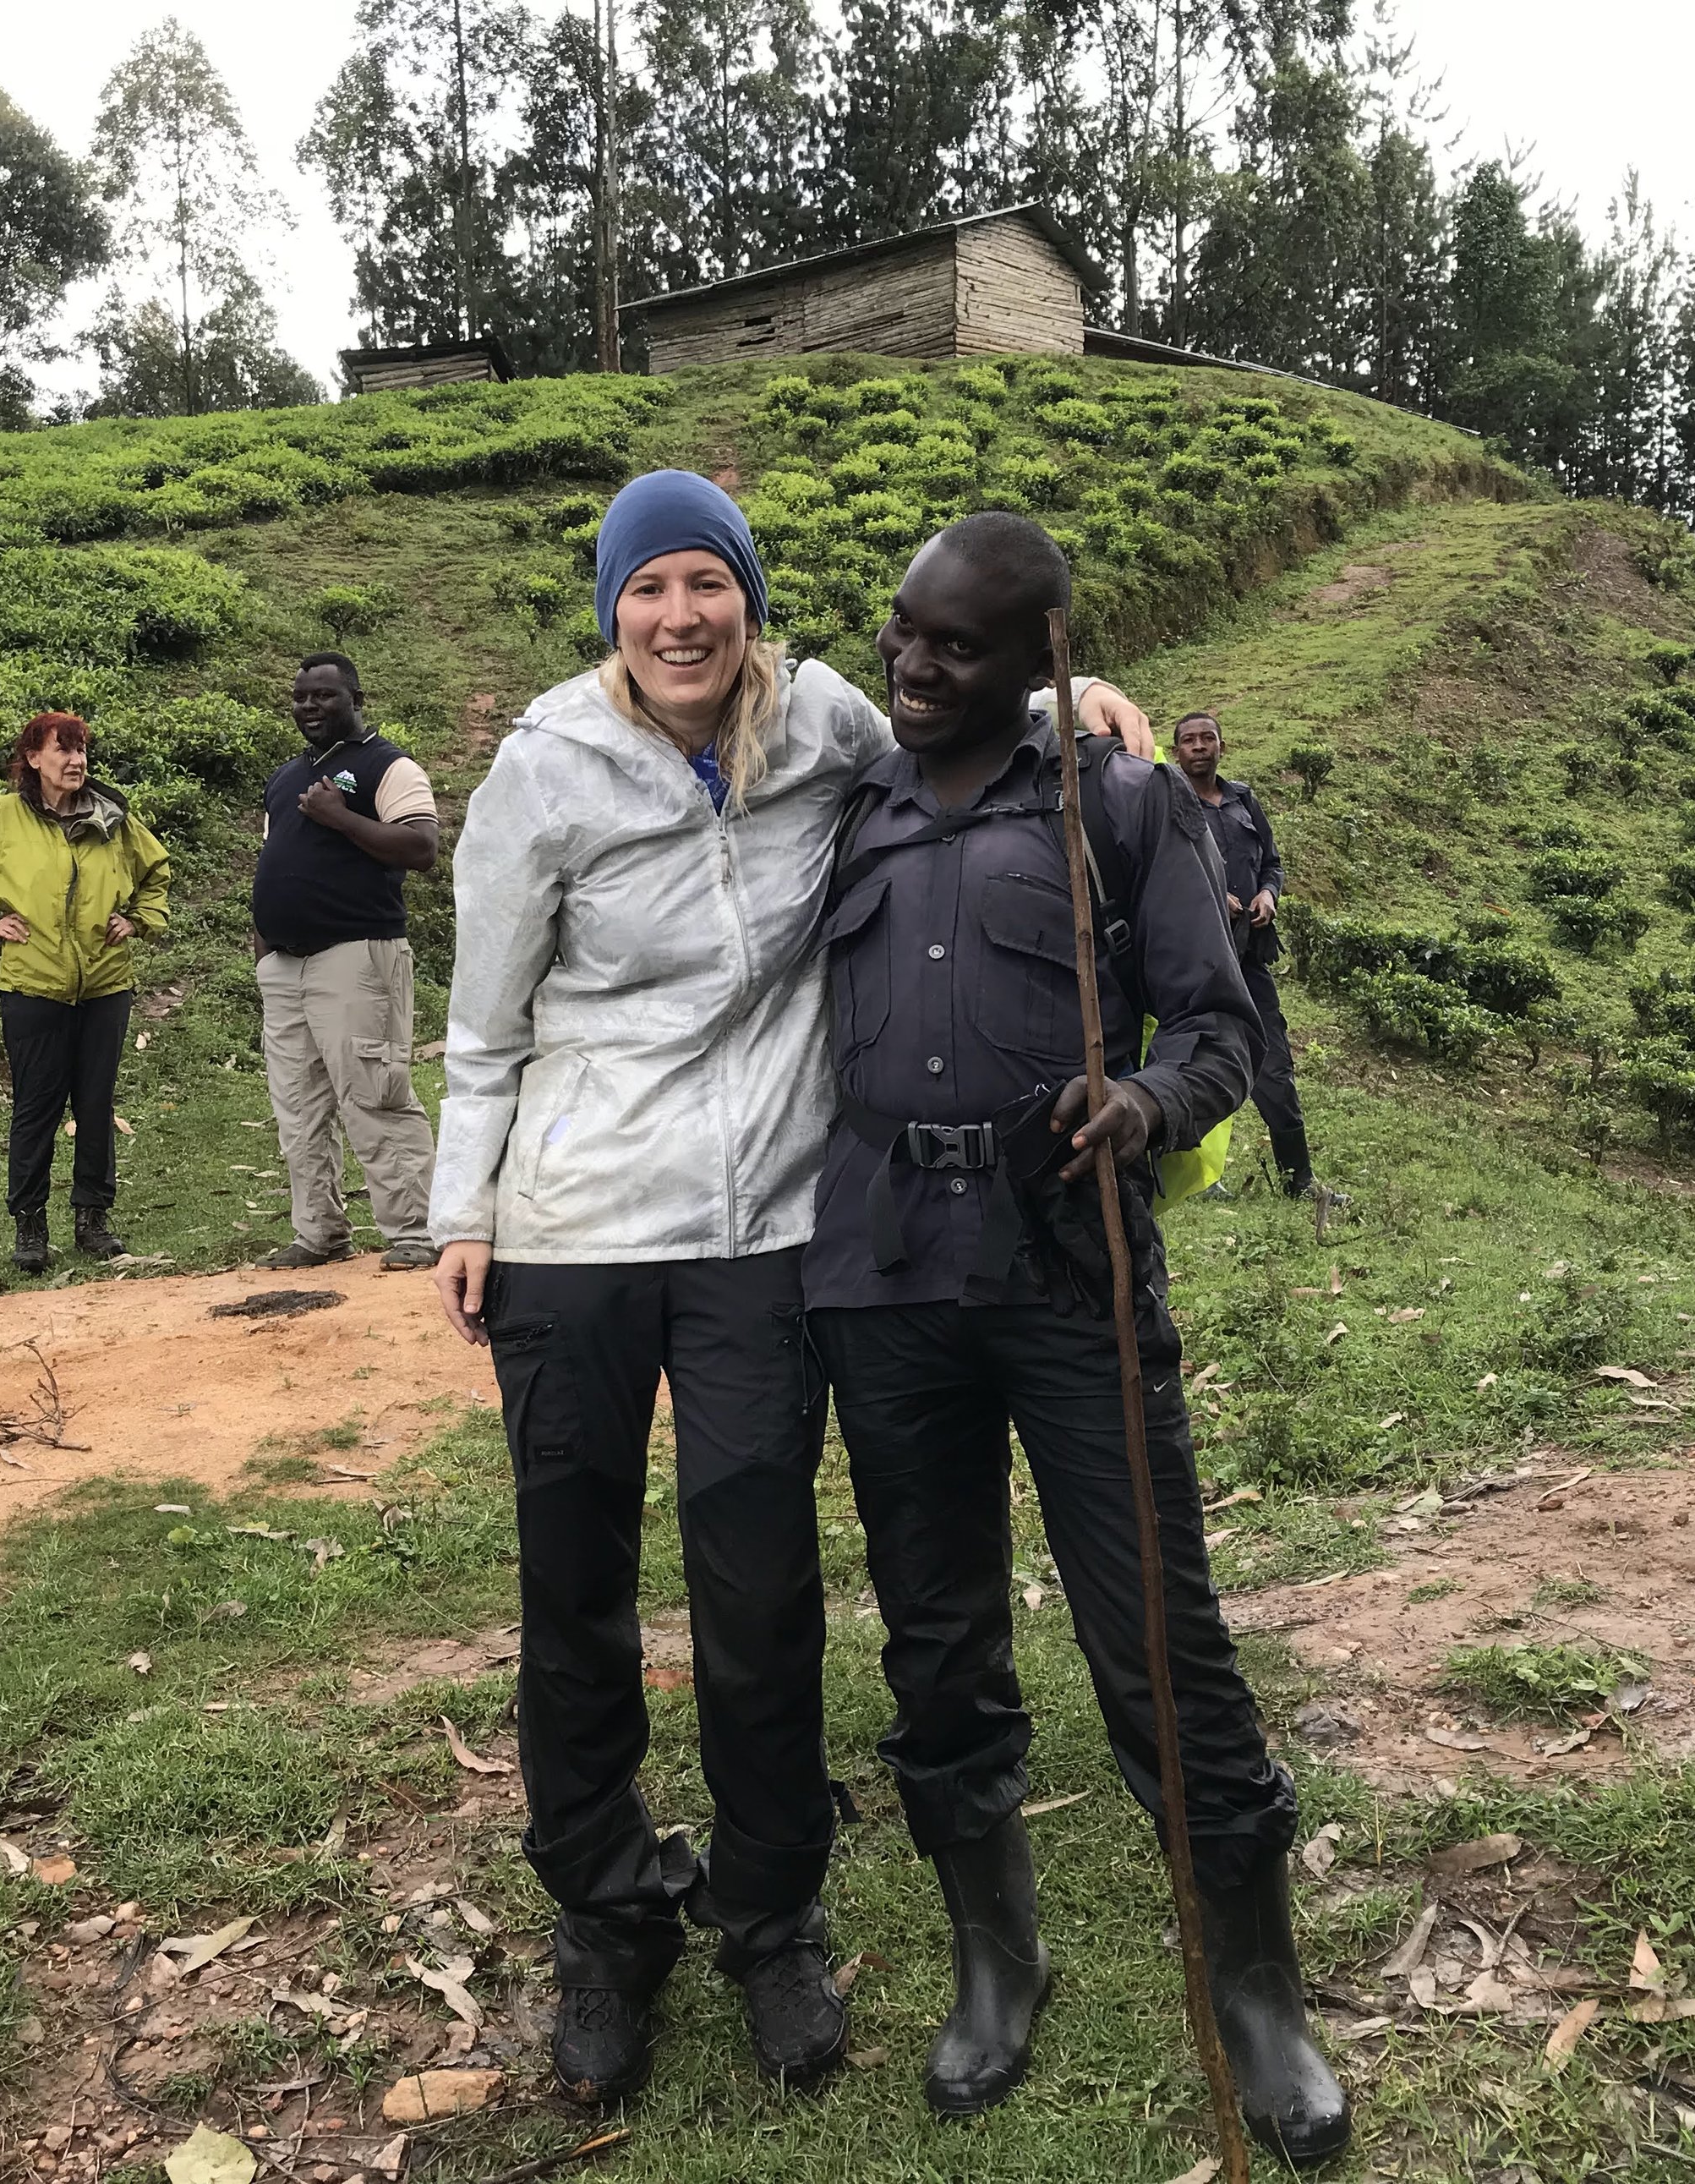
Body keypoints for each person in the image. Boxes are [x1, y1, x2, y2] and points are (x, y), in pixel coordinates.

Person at [426, 469, 1148, 2108]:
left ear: (748, 598)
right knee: (574, 1589)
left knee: (756, 1593)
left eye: (707, 582)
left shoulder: (822, 720)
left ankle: (770, 1913)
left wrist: (1066, 699)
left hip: (761, 1230)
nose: (679, 616)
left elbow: (958, 750)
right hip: (573, 1231)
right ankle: (607, 1909)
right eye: (646, 588)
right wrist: (462, 1206)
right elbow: (483, 1018)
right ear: (611, 609)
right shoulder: (544, 766)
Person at [805, 516, 1351, 2164]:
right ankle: (998, 1955)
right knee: (937, 1637)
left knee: (1158, 1637)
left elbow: (1220, 1026)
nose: (911, 662)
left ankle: (1255, 1988)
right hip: (885, 1273)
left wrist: (1147, 1098)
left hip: (1068, 1269)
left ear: (1041, 654)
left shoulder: (1119, 804)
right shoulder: (849, 803)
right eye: (901, 631)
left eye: (953, 643)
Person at [0, 710, 172, 1273]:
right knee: (36, 1108)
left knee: (95, 1104)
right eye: (63, 750)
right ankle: (30, 1225)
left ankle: (93, 1219)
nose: (75, 760)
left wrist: (138, 919)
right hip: (32, 986)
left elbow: (155, 872)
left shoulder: (112, 817)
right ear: (33, 758)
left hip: (105, 984)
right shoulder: (1, 817)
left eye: (81, 749)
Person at [250, 653, 446, 1271]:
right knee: (298, 1105)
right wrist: (264, 951)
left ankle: (415, 1231)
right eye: (301, 696)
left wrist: (340, 817)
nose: (309, 706)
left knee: (375, 1094)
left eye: (325, 696)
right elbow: (273, 859)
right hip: (285, 967)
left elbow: (421, 847)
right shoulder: (285, 778)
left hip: (357, 955)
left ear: (357, 700)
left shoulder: (389, 766)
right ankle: (319, 1233)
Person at [1171, 709, 1331, 1201]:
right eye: (1189, 740)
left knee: (1273, 1061)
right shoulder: (1166, 802)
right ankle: (1192, 1178)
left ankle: (1299, 1180)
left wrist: (1268, 894)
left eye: (1208, 738)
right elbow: (1159, 873)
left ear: (1222, 747)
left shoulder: (1243, 799)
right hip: (1195, 961)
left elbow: (1273, 864)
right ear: (1176, 752)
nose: (1200, 746)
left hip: (1250, 957)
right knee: (1192, 1060)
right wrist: (1209, 895)